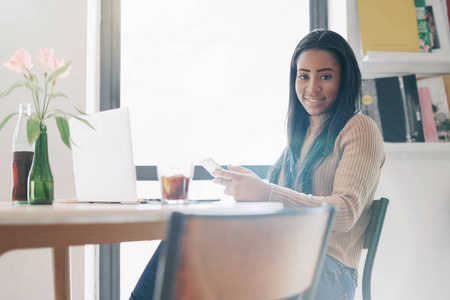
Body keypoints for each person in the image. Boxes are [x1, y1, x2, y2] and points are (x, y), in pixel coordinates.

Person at [130, 29, 385, 300]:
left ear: (344, 80)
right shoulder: (301, 136)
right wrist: (252, 188)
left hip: (329, 272)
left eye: (325, 76)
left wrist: (265, 192)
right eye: (303, 76)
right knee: (183, 239)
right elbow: (282, 207)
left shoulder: (359, 128)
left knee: (193, 252)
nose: (312, 88)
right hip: (286, 258)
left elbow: (345, 212)